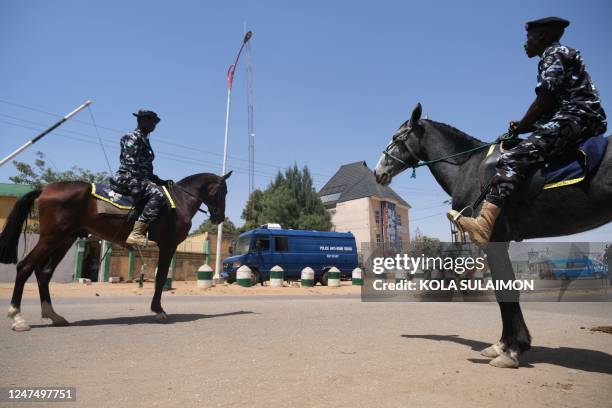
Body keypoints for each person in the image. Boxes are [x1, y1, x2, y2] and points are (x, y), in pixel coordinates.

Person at [448, 17, 607, 245]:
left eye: (528, 38)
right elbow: (551, 106)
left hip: (576, 117)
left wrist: (522, 126)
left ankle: (483, 224)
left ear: (541, 37)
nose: (525, 43)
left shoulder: (554, 54)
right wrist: (527, 125)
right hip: (579, 116)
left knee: (514, 157)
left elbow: (545, 99)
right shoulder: (562, 54)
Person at [112, 110, 169, 247]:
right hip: (128, 178)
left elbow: (146, 168)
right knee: (159, 195)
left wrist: (159, 181)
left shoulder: (144, 139)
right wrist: (134, 184)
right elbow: (129, 161)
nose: (154, 125)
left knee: (161, 189)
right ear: (142, 121)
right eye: (152, 121)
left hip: (141, 178)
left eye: (155, 122)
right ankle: (136, 234)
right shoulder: (132, 137)